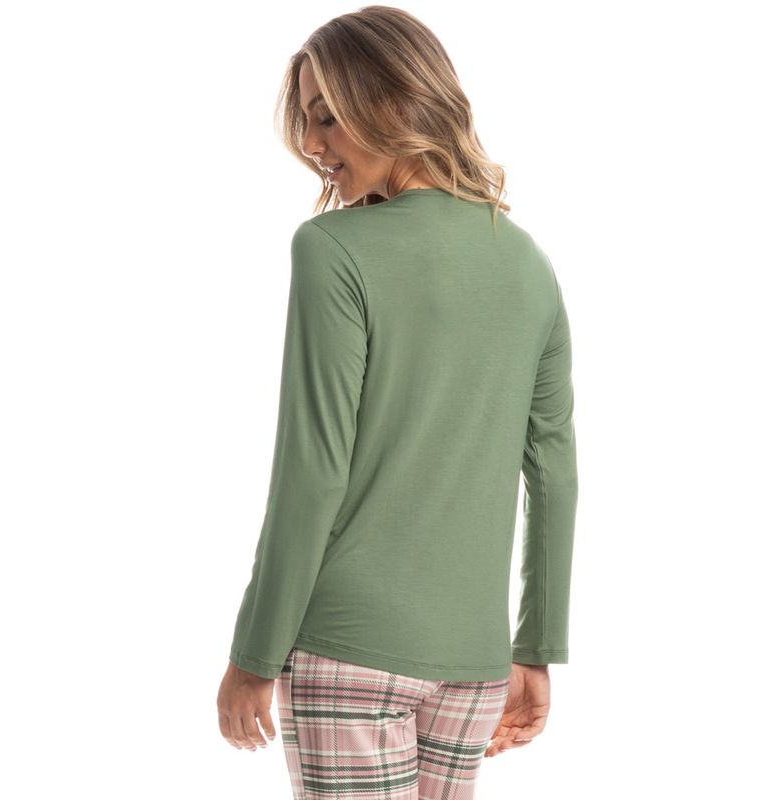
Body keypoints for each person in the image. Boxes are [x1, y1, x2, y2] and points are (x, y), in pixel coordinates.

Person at [216, 6, 578, 798]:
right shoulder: (528, 265)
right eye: (306, 122)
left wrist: (255, 653)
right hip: (475, 666)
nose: (313, 145)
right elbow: (554, 477)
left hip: (349, 646)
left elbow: (313, 472)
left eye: (326, 117)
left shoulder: (332, 249)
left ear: (390, 100)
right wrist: (536, 647)